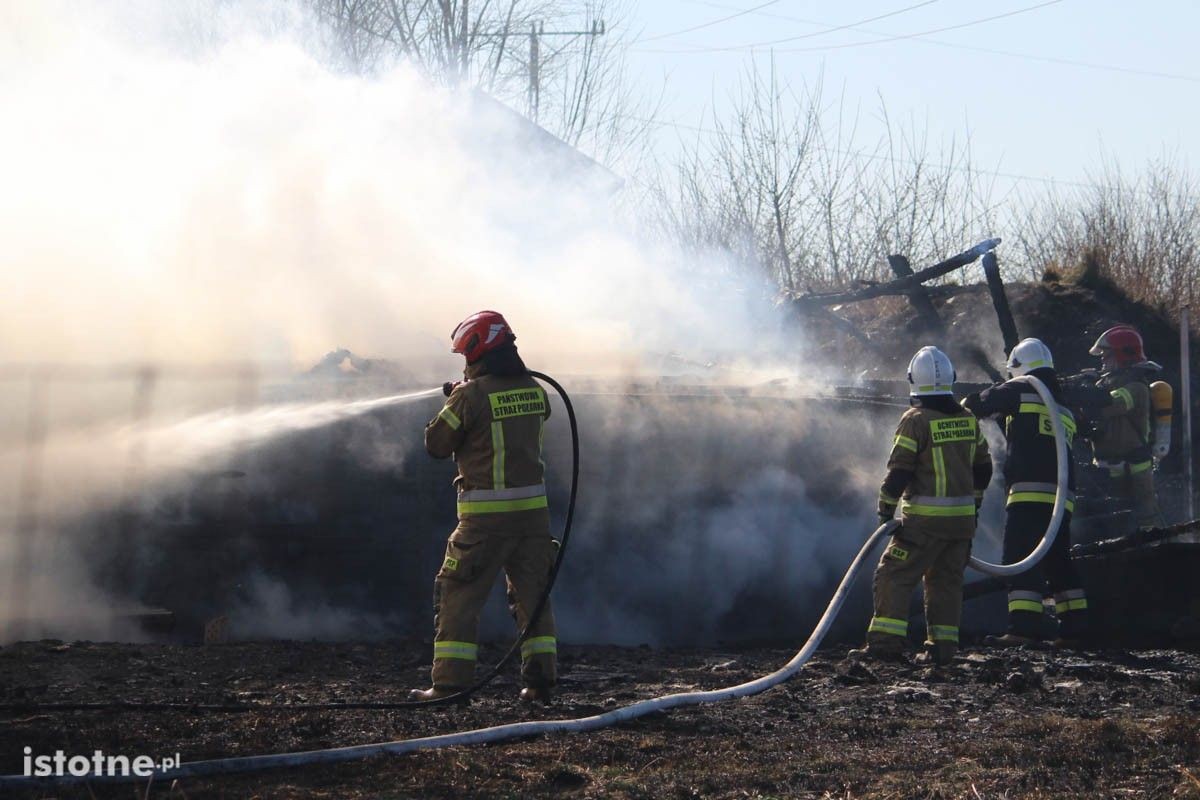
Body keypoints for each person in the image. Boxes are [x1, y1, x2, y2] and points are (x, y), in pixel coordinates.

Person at [409, 310, 558, 703]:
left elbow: (436, 445)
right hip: (533, 521)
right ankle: (540, 685)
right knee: (534, 601)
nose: (465, 364)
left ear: (480, 351)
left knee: (458, 597)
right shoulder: (535, 391)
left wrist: (459, 397)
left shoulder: (469, 396)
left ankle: (448, 687)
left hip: (483, 523)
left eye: (467, 356)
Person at [857, 346, 993, 665]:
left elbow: (900, 471)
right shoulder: (967, 419)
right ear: (951, 379)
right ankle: (942, 651)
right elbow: (984, 468)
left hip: (923, 524)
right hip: (961, 525)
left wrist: (885, 511)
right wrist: (973, 505)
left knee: (894, 574)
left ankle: (886, 645)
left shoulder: (915, 420)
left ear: (912, 381)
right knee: (945, 583)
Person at [963, 338, 1087, 647]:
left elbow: (980, 403)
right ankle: (1076, 629)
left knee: (1019, 556)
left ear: (1019, 369)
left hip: (1028, 492)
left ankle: (1023, 627)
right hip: (1061, 496)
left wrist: (961, 407)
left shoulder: (1020, 389)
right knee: (1059, 560)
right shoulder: (1062, 406)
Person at [1085, 325, 1163, 530]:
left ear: (1123, 355)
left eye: (1107, 355)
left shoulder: (1136, 387)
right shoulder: (1107, 384)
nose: (1102, 360)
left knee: (1145, 521)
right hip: (1110, 469)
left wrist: (1084, 397)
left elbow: (1111, 405)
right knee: (1115, 523)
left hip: (1135, 471)